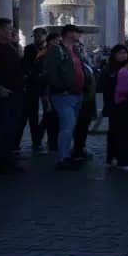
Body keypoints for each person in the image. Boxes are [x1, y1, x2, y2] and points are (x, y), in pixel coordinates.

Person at [41, 25, 88, 171]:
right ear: (68, 34)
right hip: (64, 95)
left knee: (70, 126)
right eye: (77, 32)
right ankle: (63, 158)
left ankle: (67, 154)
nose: (79, 35)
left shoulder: (74, 49)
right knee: (67, 127)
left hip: (77, 93)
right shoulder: (56, 50)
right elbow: (51, 72)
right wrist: (62, 88)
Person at [0, 18, 25, 174]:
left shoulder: (12, 48)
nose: (11, 30)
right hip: (3, 95)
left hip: (17, 94)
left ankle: (6, 159)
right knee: (0, 130)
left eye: (11, 28)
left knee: (12, 129)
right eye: (8, 28)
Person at [16, 27, 49, 155]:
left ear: (45, 36)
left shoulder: (49, 50)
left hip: (45, 85)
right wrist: (31, 75)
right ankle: (27, 142)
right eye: (35, 36)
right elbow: (25, 65)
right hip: (32, 86)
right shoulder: (29, 48)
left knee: (48, 114)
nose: (37, 38)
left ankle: (39, 139)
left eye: (39, 36)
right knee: (29, 115)